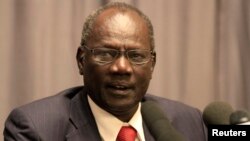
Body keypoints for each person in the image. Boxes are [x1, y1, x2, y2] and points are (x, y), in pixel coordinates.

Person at [4, 2, 207, 141]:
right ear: (81, 60)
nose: (122, 68)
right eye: (106, 54)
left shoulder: (190, 122)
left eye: (136, 56)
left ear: (152, 64)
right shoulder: (35, 128)